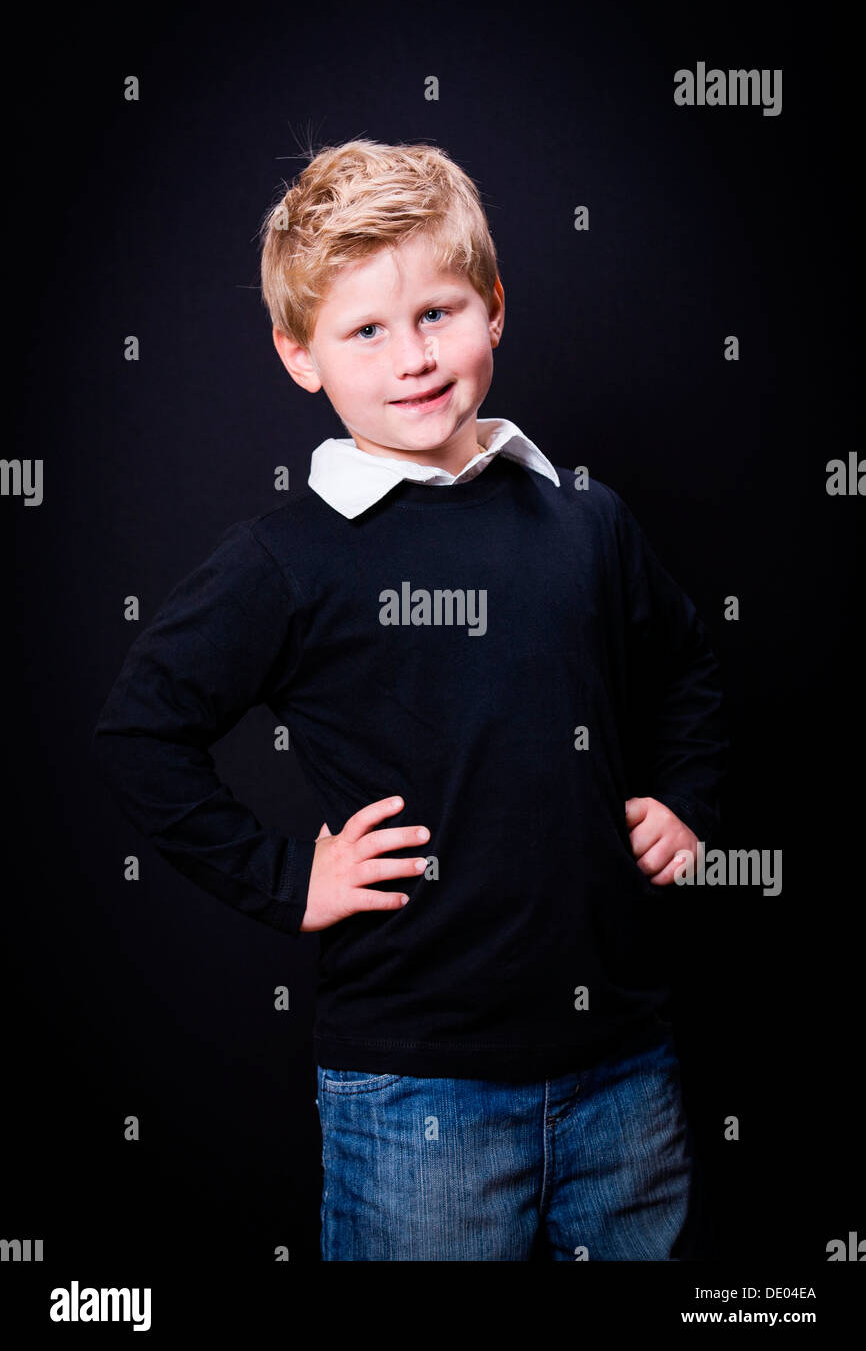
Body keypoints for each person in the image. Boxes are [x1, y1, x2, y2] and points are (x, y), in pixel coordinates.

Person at [92, 138, 728, 1261]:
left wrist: (683, 796)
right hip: (414, 1094)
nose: (413, 359)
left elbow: (685, 665)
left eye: (438, 313)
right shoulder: (289, 558)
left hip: (621, 1068)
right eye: (365, 331)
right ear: (300, 357)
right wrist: (288, 879)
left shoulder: (583, 518)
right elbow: (141, 731)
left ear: (492, 305)